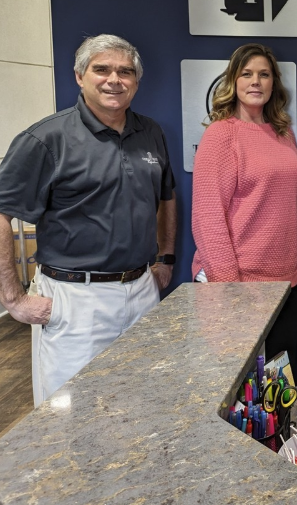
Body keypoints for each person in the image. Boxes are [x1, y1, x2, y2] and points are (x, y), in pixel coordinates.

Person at [0, 34, 176, 406]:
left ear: (137, 81)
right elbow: (2, 216)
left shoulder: (151, 132)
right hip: (75, 298)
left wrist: (166, 258)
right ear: (80, 76)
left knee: (143, 405)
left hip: (142, 290)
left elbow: (166, 196)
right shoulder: (46, 139)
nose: (115, 79)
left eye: (125, 71)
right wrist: (13, 299)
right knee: (70, 415)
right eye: (102, 69)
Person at [191, 43, 297, 368]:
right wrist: (229, 286)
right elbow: (208, 219)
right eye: (247, 74)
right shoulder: (221, 136)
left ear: (274, 82)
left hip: (285, 284)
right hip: (239, 285)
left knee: (278, 386)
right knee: (242, 395)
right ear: (233, 81)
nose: (256, 81)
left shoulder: (283, 134)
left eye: (264, 74)